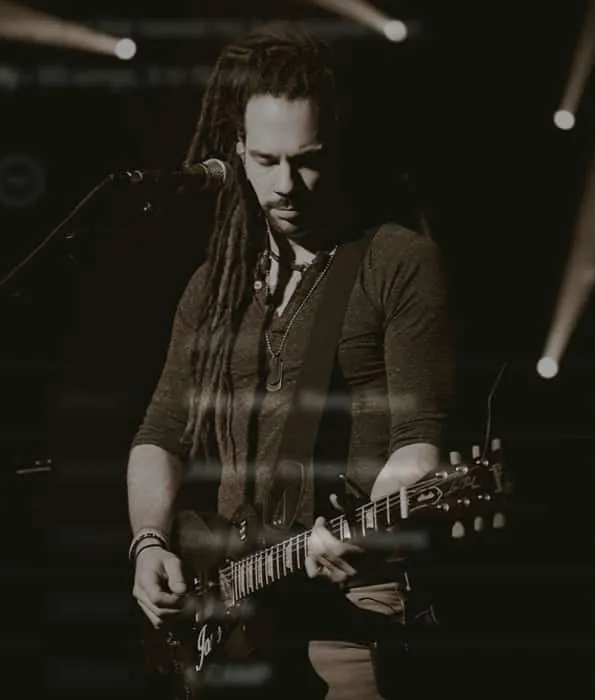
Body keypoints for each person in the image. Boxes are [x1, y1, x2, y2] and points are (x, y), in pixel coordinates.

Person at [126, 22, 455, 700]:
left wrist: (368, 527)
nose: (286, 186)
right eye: (266, 160)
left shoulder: (396, 261)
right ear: (237, 153)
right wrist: (149, 544)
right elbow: (160, 434)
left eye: (307, 161)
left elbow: (418, 440)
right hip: (233, 612)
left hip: (351, 601)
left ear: (337, 147)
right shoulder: (215, 286)